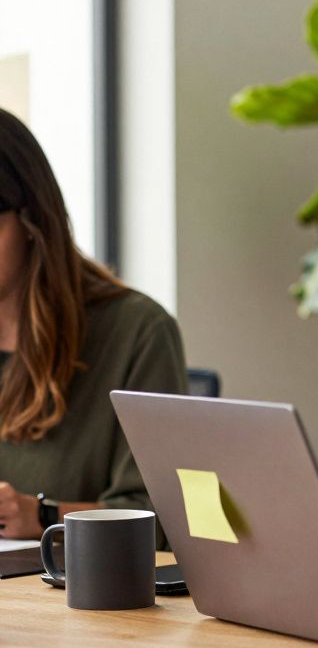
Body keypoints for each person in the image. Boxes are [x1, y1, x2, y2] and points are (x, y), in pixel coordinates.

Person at [0, 107, 187, 541]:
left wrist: (44, 516)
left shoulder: (138, 332)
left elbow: (165, 519)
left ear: (32, 219)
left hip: (64, 600)